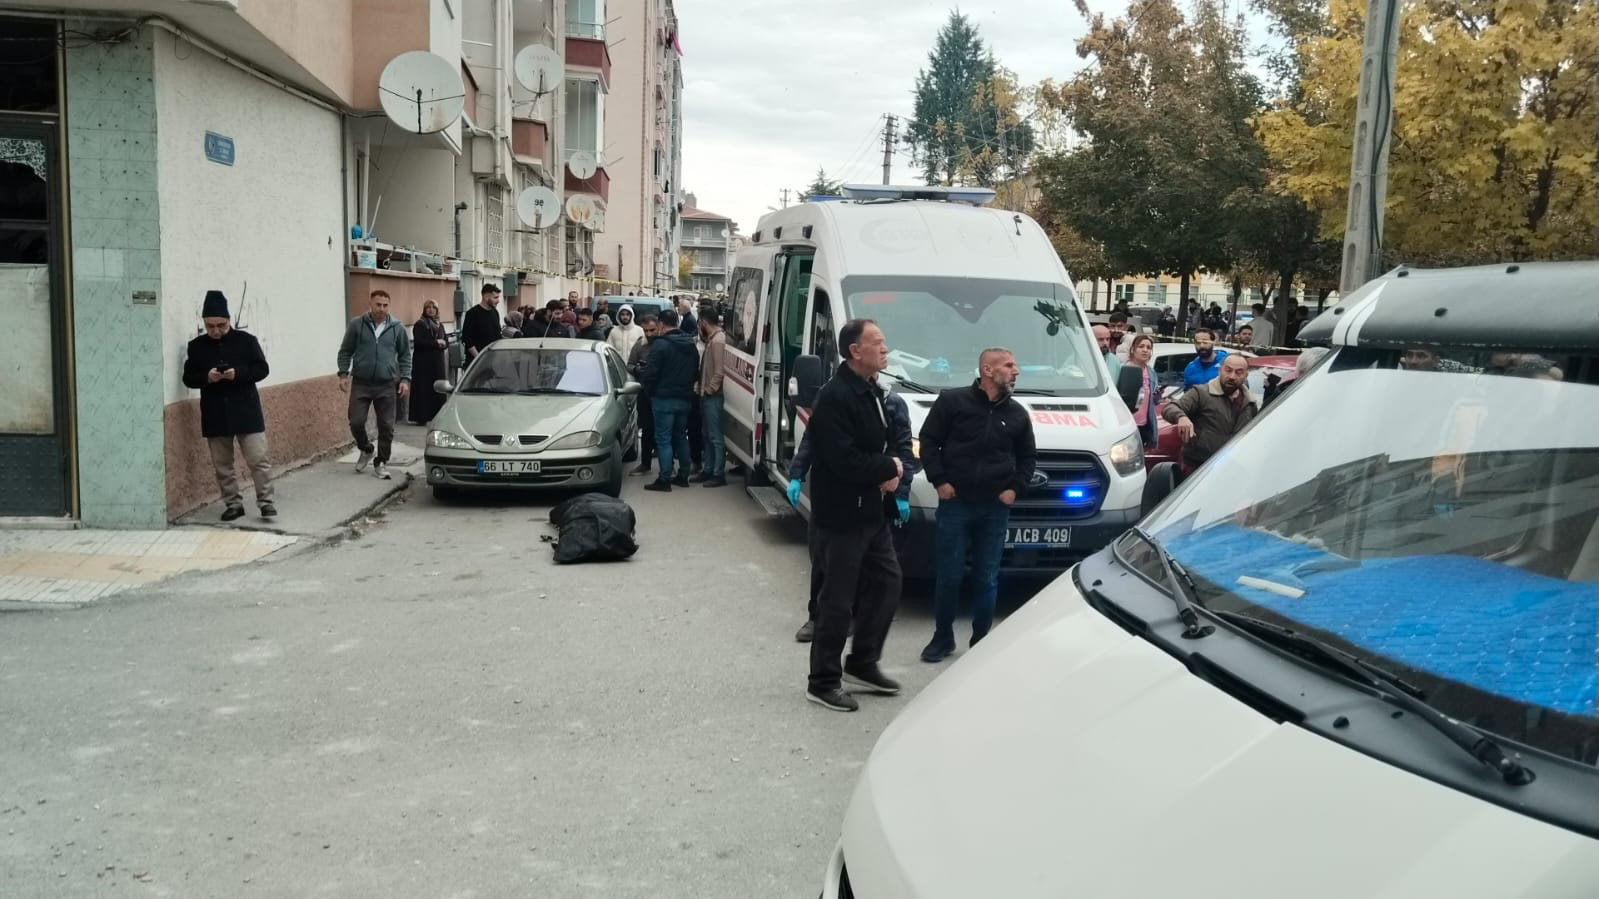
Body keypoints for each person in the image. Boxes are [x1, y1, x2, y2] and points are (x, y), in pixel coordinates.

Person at [805, 319, 904, 711]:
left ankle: (862, 662)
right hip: (840, 516)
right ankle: (822, 680)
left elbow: (881, 442)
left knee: (888, 583)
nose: (885, 348)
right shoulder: (835, 396)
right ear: (854, 351)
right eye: (877, 342)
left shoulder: (870, 390)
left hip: (870, 513)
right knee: (838, 601)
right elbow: (843, 460)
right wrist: (889, 468)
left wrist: (890, 470)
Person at [917, 348, 1037, 663]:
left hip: (995, 507)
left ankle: (982, 642)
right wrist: (939, 480)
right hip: (956, 503)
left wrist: (1015, 488)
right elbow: (928, 441)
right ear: (987, 369)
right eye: (1009, 365)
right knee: (950, 574)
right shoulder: (952, 402)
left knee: (987, 576)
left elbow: (1028, 458)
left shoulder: (1017, 414)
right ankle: (942, 638)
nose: (1016, 370)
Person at [787, 385, 918, 643]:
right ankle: (817, 617)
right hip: (833, 496)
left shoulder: (892, 403)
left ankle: (857, 619)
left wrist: (902, 493)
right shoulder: (832, 395)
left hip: (874, 492)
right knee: (823, 561)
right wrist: (796, 475)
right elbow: (812, 440)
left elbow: (903, 448)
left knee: (869, 563)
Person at [182, 290, 275, 520]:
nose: (216, 331)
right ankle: (233, 504)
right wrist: (207, 377)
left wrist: (238, 374)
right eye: (210, 326)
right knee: (223, 466)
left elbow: (262, 369)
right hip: (215, 413)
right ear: (203, 322)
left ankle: (266, 502)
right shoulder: (196, 346)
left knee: (258, 460)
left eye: (221, 325)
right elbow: (188, 378)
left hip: (246, 411)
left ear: (229, 320)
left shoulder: (247, 341)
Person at [337, 289, 413, 481]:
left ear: (389, 305)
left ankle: (381, 462)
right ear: (370, 304)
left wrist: (405, 379)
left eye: (385, 305)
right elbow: (345, 351)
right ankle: (366, 448)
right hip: (362, 382)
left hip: (386, 383)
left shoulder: (397, 327)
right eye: (378, 304)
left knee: (386, 425)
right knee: (356, 421)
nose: (381, 309)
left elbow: (405, 355)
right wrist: (343, 374)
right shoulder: (357, 325)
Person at [1163, 353, 1256, 472]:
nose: (1232, 376)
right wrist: (1181, 417)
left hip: (1230, 469)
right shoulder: (1201, 393)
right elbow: (1169, 408)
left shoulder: (1250, 404)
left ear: (1245, 376)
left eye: (1238, 372)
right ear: (1220, 370)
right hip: (1197, 468)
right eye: (1228, 370)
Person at [641, 308, 698, 491]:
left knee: (663, 439)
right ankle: (683, 475)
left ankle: (664, 479)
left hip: (663, 398)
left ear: (661, 324)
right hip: (684, 397)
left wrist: (649, 392)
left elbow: (651, 373)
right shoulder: (690, 344)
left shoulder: (660, 345)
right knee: (681, 437)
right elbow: (696, 369)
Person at [692, 308, 729, 487]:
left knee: (715, 436)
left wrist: (710, 389)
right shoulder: (712, 339)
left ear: (704, 323)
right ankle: (708, 469)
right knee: (706, 434)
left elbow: (719, 371)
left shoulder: (718, 341)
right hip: (706, 394)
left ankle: (718, 473)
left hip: (713, 396)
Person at [628, 314, 660, 475]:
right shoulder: (640, 344)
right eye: (646, 330)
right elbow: (630, 364)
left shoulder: (664, 343)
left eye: (652, 330)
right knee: (647, 429)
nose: (649, 334)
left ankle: (668, 467)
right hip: (644, 391)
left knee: (664, 431)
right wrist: (637, 369)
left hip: (661, 392)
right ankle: (645, 464)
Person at [409, 299, 449, 425]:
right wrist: (436, 343)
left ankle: (438, 416)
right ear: (424, 309)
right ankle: (421, 417)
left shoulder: (439, 325)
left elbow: (446, 340)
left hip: (437, 362)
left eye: (434, 307)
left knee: (438, 388)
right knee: (424, 389)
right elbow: (419, 342)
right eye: (428, 307)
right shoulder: (420, 324)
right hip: (423, 363)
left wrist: (444, 344)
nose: (431, 310)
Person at [1116, 334, 1159, 447]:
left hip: (1143, 424)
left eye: (1148, 347)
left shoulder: (1151, 372)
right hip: (1125, 424)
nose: (1145, 350)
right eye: (1141, 346)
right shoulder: (1123, 369)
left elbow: (1153, 399)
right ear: (1133, 350)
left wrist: (1157, 396)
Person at [460, 283, 502, 362]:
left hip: (493, 360)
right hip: (476, 362)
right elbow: (467, 340)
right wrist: (479, 359)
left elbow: (498, 336)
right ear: (486, 297)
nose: (498, 301)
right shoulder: (472, 313)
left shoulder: (495, 312)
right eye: (495, 297)